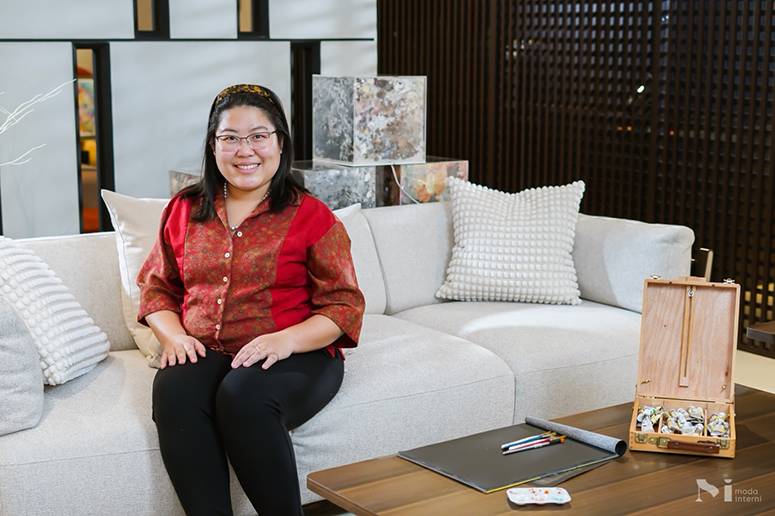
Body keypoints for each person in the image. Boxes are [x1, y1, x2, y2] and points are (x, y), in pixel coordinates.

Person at [136, 83, 365, 516]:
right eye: (230, 137)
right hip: (207, 348)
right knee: (174, 390)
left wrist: (285, 340)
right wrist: (173, 337)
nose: (245, 150)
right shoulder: (184, 209)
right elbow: (157, 287)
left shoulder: (313, 216)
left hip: (298, 352)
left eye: (259, 136)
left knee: (243, 398)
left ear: (280, 143)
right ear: (213, 145)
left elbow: (343, 306)